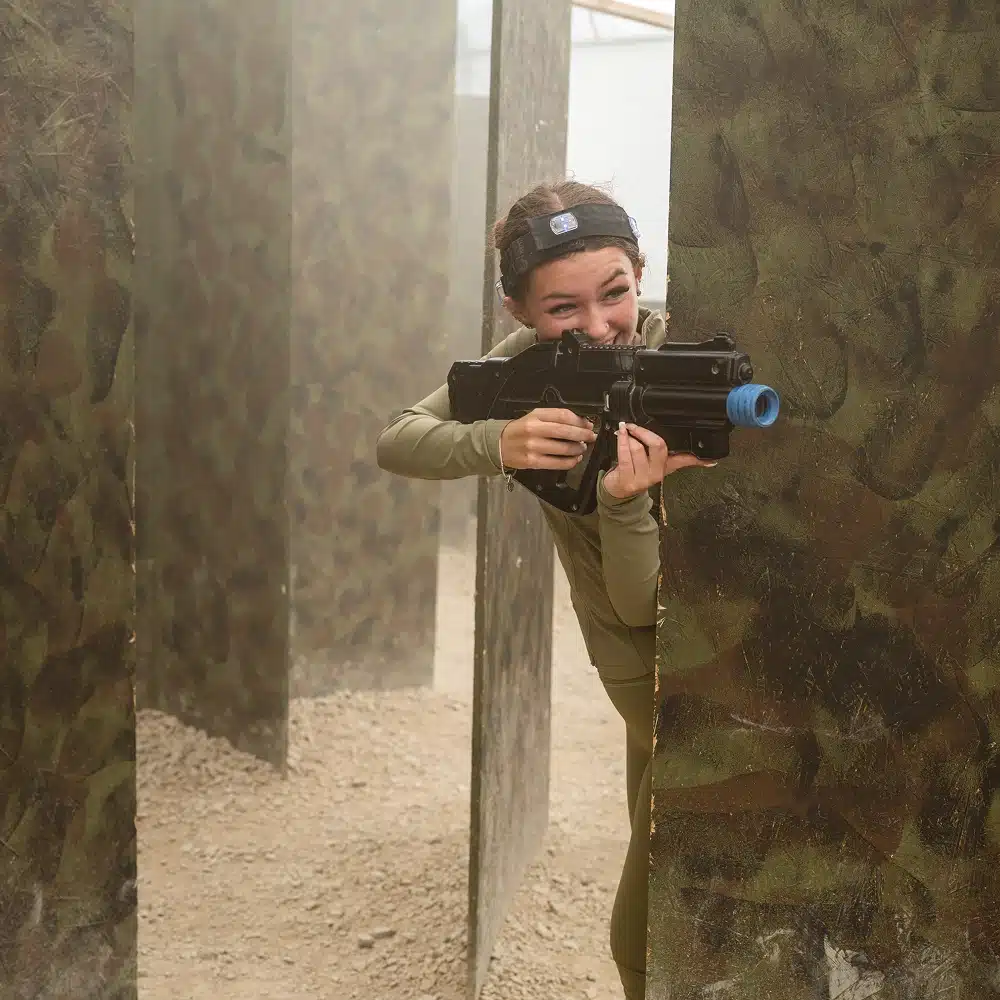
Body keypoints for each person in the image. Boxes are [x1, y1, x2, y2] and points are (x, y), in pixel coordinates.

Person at [375, 180, 715, 1000]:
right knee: (657, 858)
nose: (599, 327)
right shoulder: (523, 369)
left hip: (709, 652)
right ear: (517, 309)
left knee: (659, 855)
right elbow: (401, 439)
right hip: (643, 663)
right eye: (563, 309)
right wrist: (504, 439)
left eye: (616, 294)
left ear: (642, 272)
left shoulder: (684, 358)